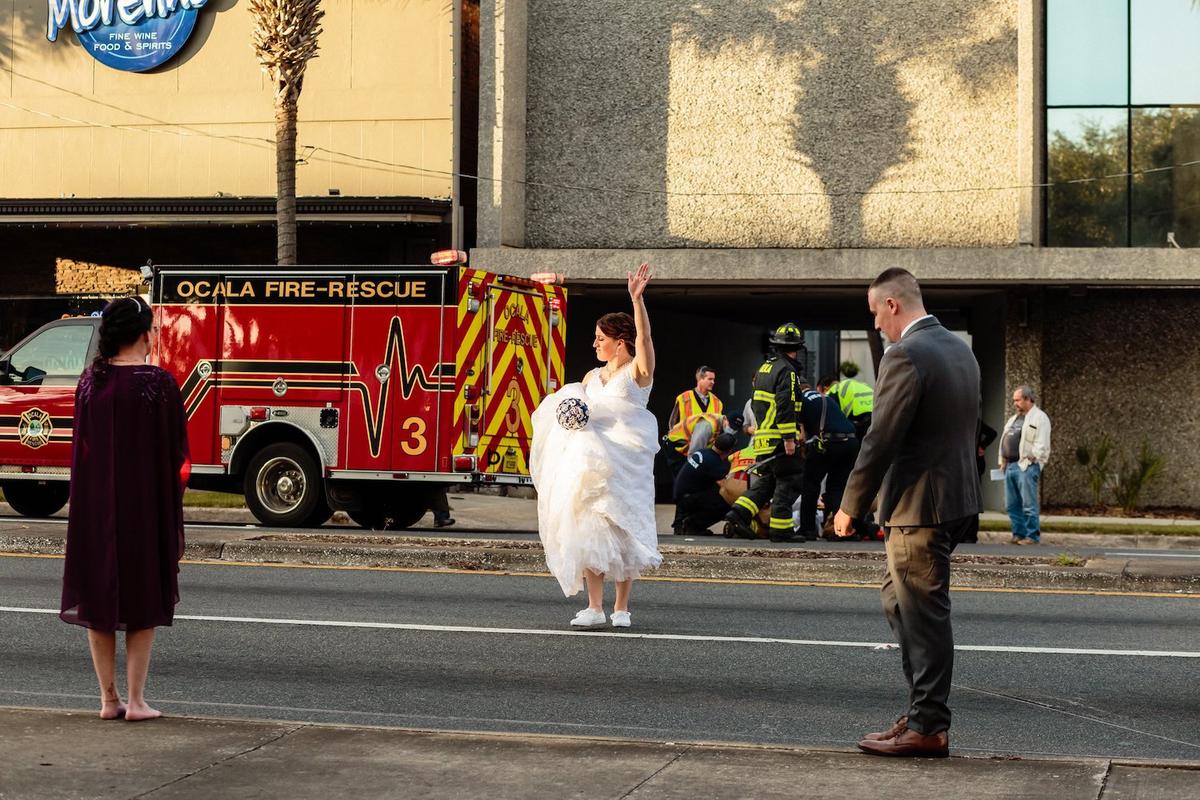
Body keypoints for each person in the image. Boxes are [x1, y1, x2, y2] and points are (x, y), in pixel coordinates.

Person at [834, 268, 982, 758]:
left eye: (876, 313)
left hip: (920, 506)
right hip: (954, 500)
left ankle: (928, 726)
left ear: (892, 305)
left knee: (922, 614)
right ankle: (921, 713)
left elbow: (881, 438)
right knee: (900, 603)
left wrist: (850, 504)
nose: (876, 324)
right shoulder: (959, 349)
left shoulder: (905, 354)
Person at [60, 296, 190, 722]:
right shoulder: (160, 384)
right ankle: (136, 700)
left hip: (97, 507)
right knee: (143, 597)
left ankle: (107, 699)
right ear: (143, 334)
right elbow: (177, 456)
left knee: (99, 598)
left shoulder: (89, 383)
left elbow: (82, 449)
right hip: (144, 507)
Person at [530, 263, 661, 629]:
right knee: (589, 529)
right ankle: (593, 607)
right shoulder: (591, 376)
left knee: (623, 529)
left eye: (600, 338)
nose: (595, 344)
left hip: (626, 463)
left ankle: (622, 609)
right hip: (590, 463)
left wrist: (637, 301)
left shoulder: (638, 372)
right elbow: (581, 411)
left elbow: (645, 340)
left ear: (620, 341)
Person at [723, 323, 805, 543]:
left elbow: (757, 405)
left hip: (762, 438)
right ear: (797, 347)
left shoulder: (764, 369)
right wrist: (789, 438)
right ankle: (781, 530)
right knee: (788, 480)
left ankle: (738, 514)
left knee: (767, 482)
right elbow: (786, 405)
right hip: (780, 438)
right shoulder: (787, 371)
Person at [795, 382, 859, 540]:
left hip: (828, 442)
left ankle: (807, 529)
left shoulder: (801, 400)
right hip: (851, 442)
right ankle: (843, 529)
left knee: (810, 484)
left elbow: (802, 436)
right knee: (837, 487)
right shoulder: (827, 398)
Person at [1000, 386, 1051, 545]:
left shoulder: (1039, 417)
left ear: (1028, 399)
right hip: (1010, 466)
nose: (1015, 403)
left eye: (1017, 400)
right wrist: (1002, 460)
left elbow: (1042, 443)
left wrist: (1032, 457)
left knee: (1028, 504)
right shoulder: (1013, 419)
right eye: (1014, 400)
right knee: (1011, 504)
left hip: (1026, 466)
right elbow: (1004, 440)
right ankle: (1018, 534)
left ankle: (1032, 536)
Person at [672, 432, 737, 535]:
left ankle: (680, 524)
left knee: (709, 489)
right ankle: (693, 526)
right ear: (729, 451)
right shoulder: (715, 463)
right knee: (727, 501)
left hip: (680, 496)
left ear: (714, 442)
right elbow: (727, 483)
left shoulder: (703, 452)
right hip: (687, 499)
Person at [818, 374, 873, 441]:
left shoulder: (833, 390)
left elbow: (833, 419)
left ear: (825, 389)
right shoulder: (861, 385)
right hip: (877, 417)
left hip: (862, 421)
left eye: (819, 393)